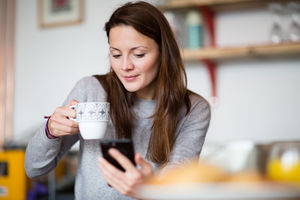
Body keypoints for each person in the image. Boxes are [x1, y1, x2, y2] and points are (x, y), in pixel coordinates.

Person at [25, 1, 211, 199]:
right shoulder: (90, 90)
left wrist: (149, 188)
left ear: (163, 52)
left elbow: (177, 188)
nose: (124, 66)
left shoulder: (194, 109)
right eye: (116, 54)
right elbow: (34, 170)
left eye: (138, 54)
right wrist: (50, 131)